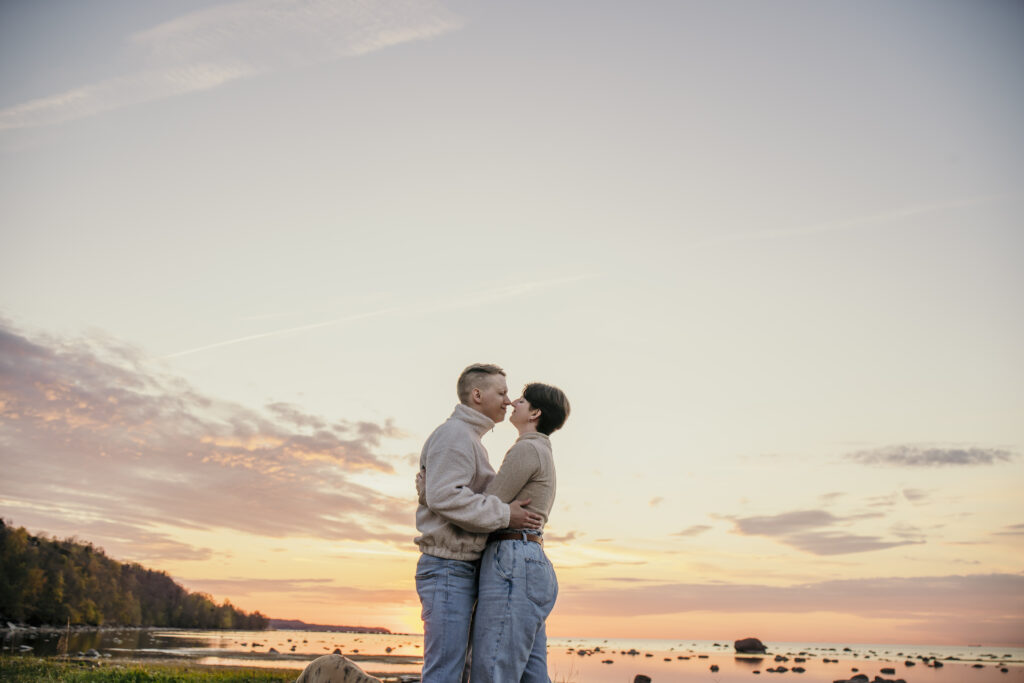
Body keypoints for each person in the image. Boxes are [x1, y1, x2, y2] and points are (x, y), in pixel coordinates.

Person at [414, 363, 543, 683]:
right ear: (476, 395)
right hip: (447, 568)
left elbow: (441, 494)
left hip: (462, 568)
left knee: (462, 671)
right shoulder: (455, 435)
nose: (508, 400)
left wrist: (429, 494)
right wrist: (505, 514)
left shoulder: (468, 438)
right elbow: (446, 496)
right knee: (444, 673)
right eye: (501, 392)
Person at [470, 382, 570, 683]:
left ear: (535, 412)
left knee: (492, 671)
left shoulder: (526, 448)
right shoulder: (543, 452)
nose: (513, 402)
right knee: (532, 675)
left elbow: (489, 507)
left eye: (523, 400)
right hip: (532, 560)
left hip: (513, 561)